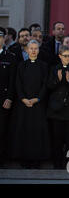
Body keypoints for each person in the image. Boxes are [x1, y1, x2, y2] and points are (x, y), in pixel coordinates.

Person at [9, 40, 50, 168]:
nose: (33, 51)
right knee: (24, 130)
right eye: (31, 48)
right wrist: (23, 98)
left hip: (38, 104)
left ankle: (37, 158)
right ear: (27, 50)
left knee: (37, 131)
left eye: (35, 48)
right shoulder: (21, 65)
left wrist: (38, 98)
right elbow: (18, 83)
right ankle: (24, 158)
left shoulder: (44, 66)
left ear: (38, 50)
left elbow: (45, 84)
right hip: (24, 104)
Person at [46, 45, 69, 169]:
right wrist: (58, 79)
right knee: (57, 138)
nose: (68, 58)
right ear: (60, 56)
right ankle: (57, 164)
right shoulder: (54, 69)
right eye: (65, 56)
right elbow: (49, 86)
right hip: (57, 109)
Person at [0, 27, 17, 168]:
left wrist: (10, 97)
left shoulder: (10, 57)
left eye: (0, 37)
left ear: (4, 38)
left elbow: (12, 80)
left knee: (2, 130)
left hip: (3, 99)